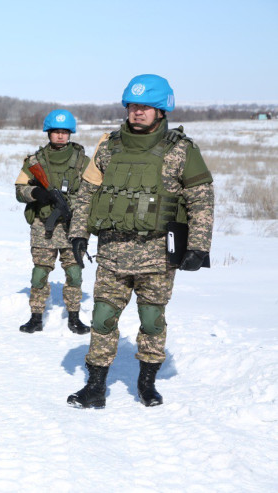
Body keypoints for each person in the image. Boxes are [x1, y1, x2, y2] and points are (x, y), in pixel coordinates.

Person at [66, 74, 214, 409]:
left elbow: (201, 199)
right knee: (102, 318)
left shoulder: (181, 150)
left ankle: (147, 384)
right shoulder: (108, 146)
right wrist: (78, 233)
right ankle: (95, 387)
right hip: (112, 253)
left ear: (162, 110)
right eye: (133, 105)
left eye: (146, 106)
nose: (137, 112)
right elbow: (87, 194)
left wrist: (199, 245)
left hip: (157, 256)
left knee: (151, 320)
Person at [15, 109, 91, 335]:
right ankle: (36, 317)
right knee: (39, 274)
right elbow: (19, 190)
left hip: (73, 226)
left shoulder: (83, 162)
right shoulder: (35, 161)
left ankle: (74, 318)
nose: (60, 136)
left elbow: (92, 193)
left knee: (74, 274)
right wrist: (36, 193)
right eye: (56, 131)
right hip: (43, 225)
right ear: (48, 133)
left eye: (64, 132)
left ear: (70, 133)